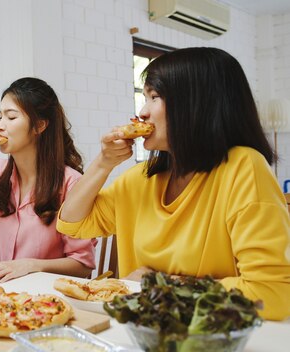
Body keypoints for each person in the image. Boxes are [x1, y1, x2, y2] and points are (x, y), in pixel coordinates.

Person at [57, 47, 290, 321]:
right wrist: (103, 163)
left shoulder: (243, 168)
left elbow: (272, 292)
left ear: (196, 103)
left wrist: (161, 286)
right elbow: (72, 224)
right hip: (142, 332)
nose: (142, 112)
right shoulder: (140, 178)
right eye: (145, 98)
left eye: (154, 97)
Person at [0, 77, 96, 283]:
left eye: (11, 118)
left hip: (46, 300)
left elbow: (82, 266)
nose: (0, 126)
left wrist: (30, 265)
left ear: (39, 126)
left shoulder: (72, 183)